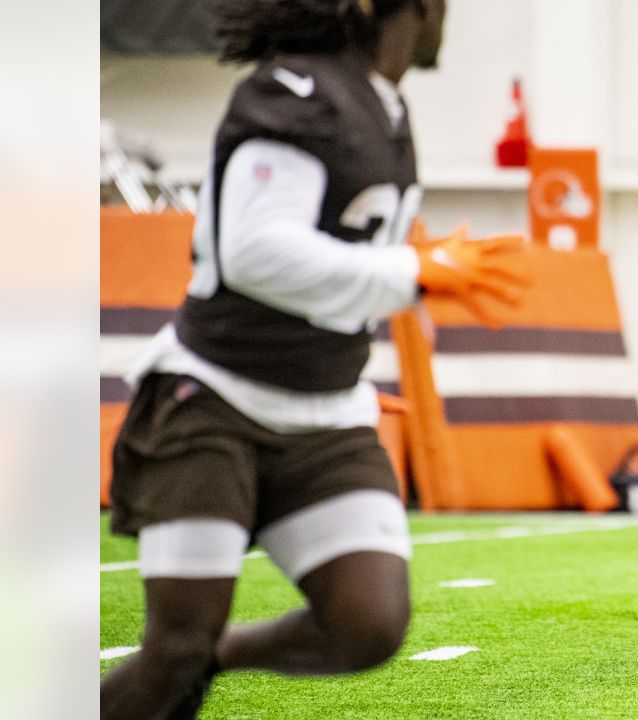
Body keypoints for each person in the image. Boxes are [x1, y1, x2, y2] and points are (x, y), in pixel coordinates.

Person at [100, 1, 526, 717]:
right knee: (173, 649)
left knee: (367, 623)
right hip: (215, 402)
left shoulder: (382, 104)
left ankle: (220, 652)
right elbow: (256, 251)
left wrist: (339, 352)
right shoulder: (294, 91)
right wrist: (413, 271)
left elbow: (339, 266)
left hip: (323, 413)